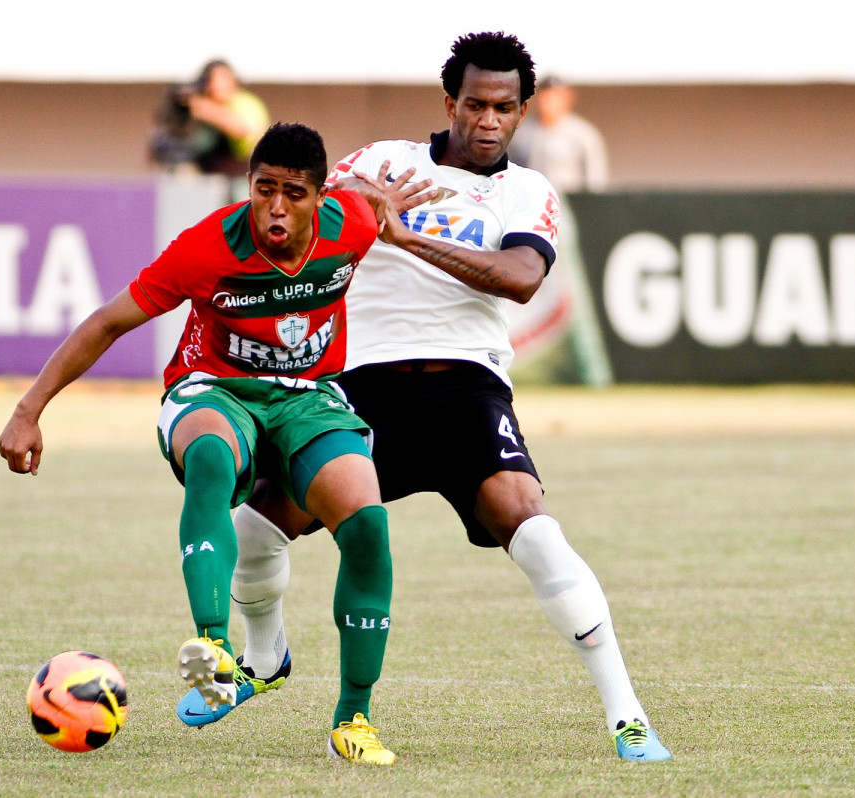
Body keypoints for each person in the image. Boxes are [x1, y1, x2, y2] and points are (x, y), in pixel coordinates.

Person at [177, 31, 672, 763]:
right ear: (451, 102)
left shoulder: (525, 191)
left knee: (533, 528)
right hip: (360, 390)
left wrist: (403, 235)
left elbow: (519, 277)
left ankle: (627, 716)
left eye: (505, 107)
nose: (489, 120)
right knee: (254, 530)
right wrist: (347, 210)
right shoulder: (380, 162)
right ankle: (263, 658)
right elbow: (304, 212)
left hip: (466, 391)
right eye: (476, 104)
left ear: (523, 111)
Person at [0, 122, 399, 766]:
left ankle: (354, 718)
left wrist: (372, 196)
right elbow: (108, 322)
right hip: (215, 388)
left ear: (319, 196)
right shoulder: (207, 248)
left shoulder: (350, 223)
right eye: (262, 188)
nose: (274, 206)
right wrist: (28, 410)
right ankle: (214, 651)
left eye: (293, 193)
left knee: (368, 526)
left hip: (308, 395)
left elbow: (366, 200)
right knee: (211, 458)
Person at [148, 59, 270, 177]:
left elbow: (242, 130)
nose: (213, 86)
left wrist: (202, 107)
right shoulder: (211, 105)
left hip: (240, 174)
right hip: (209, 177)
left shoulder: (242, 101)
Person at [508, 74, 608, 193]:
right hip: (531, 200)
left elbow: (595, 178)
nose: (548, 102)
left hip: (568, 202)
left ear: (567, 98)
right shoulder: (521, 132)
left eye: (554, 97)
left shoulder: (582, 133)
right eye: (544, 96)